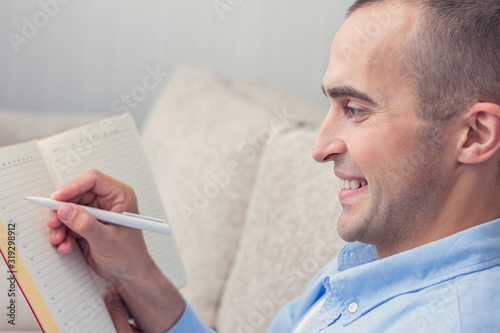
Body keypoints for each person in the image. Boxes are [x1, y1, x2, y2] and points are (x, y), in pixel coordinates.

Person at [46, 0, 500, 332]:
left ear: (475, 134)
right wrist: (134, 269)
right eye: (331, 104)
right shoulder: (380, 251)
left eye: (356, 108)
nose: (318, 147)